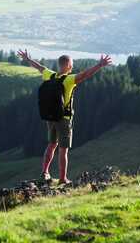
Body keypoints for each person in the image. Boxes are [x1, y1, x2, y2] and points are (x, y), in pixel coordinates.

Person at [17, 49, 112, 184]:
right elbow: (85, 74)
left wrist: (27, 59)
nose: (72, 67)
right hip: (64, 119)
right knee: (63, 150)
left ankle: (45, 172)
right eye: (71, 64)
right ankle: (63, 179)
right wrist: (100, 65)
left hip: (50, 117)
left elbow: (40, 67)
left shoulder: (50, 76)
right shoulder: (69, 80)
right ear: (67, 65)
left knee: (51, 145)